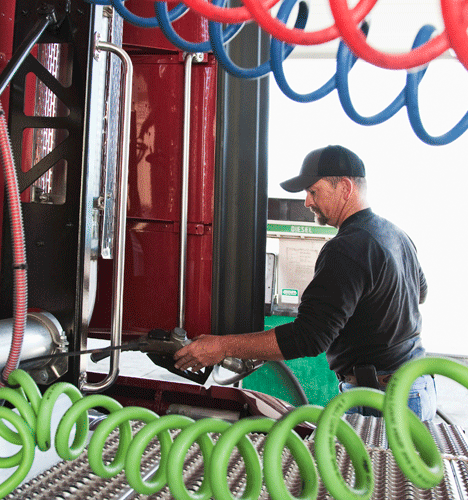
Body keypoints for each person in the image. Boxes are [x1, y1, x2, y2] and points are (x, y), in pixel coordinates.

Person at [174, 144, 436, 421]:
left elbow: (309, 338)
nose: (307, 202)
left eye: (313, 191)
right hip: (413, 387)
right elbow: (419, 293)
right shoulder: (396, 234)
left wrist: (222, 347)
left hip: (385, 399)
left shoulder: (346, 249)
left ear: (345, 188)